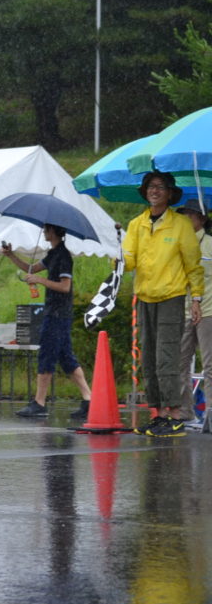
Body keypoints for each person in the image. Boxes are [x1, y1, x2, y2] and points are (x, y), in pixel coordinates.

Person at [123, 171, 203, 437]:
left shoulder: (180, 225)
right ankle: (157, 414)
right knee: (148, 357)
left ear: (170, 193)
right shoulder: (137, 224)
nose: (154, 191)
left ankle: (175, 415)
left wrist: (196, 298)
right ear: (145, 191)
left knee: (167, 358)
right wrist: (120, 259)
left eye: (160, 187)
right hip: (145, 297)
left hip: (172, 297)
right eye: (150, 187)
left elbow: (193, 266)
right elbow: (130, 261)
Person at [0, 224, 92, 418]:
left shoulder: (63, 256)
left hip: (57, 314)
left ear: (55, 231)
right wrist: (11, 255)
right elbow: (32, 268)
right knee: (66, 358)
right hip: (57, 313)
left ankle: (39, 403)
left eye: (47, 228)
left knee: (46, 355)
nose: (43, 231)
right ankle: (89, 399)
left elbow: (65, 286)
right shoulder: (53, 254)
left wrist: (40, 281)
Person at [176, 198, 212, 428]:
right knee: (179, 361)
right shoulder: (178, 245)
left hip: (209, 310)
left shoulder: (209, 243)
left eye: (190, 214)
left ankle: (210, 412)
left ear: (202, 218)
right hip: (183, 310)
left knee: (210, 364)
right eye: (184, 214)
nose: (186, 218)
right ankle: (184, 411)